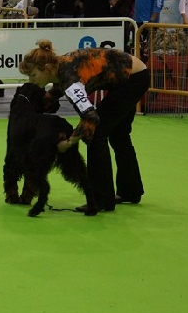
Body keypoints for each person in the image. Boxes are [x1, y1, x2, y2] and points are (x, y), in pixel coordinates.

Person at [19, 41, 150, 212]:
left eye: (33, 75)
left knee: (96, 133)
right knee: (119, 135)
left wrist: (69, 143)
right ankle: (130, 191)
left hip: (132, 79)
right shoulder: (59, 67)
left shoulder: (69, 80)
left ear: (47, 69)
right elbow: (58, 88)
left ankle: (101, 199)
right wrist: (41, 104)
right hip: (129, 75)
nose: (31, 80)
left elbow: (90, 117)